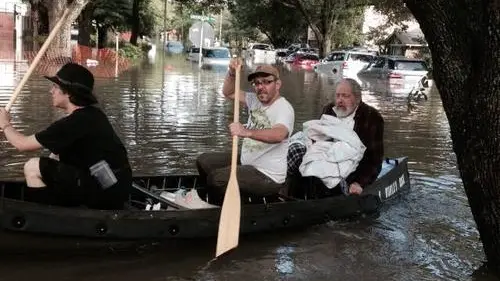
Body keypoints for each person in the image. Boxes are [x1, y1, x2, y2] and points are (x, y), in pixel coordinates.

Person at [0, 63, 132, 210]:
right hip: (115, 186)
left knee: (32, 167)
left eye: (55, 87)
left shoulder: (74, 123)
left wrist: (5, 124)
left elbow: (22, 144)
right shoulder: (93, 115)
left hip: (105, 191)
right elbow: (55, 157)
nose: (51, 91)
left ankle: (43, 216)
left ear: (68, 92)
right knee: (53, 158)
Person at [196, 60, 295, 204]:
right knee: (204, 161)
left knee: (217, 178)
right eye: (257, 83)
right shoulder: (254, 100)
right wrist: (231, 72)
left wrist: (246, 132)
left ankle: (216, 208)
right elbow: (228, 92)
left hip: (268, 176)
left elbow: (279, 134)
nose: (261, 87)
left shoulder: (284, 108)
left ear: (277, 84)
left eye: (266, 82)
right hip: (247, 162)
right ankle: (229, 198)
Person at [288, 78, 384, 196]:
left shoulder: (372, 117)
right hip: (324, 157)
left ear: (357, 98)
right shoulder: (329, 110)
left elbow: (374, 159)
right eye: (338, 96)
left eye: (345, 96)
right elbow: (316, 135)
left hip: (353, 168)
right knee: (296, 151)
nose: (340, 100)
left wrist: (359, 183)